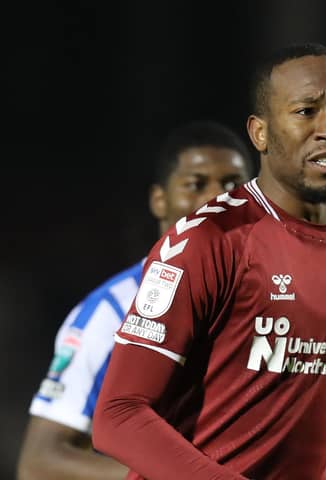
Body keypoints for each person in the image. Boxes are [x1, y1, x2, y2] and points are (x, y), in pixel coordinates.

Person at [93, 42, 326, 480]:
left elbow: (325, 402)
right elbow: (117, 417)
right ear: (261, 133)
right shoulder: (208, 241)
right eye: (306, 111)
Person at [16, 120, 254, 480]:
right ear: (160, 200)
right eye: (196, 184)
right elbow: (40, 462)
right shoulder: (111, 312)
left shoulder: (274, 302)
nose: (216, 199)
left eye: (232, 185)